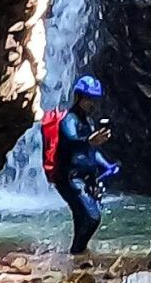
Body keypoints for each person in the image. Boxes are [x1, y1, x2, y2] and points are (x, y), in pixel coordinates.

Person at [44, 75, 118, 254]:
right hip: (70, 178)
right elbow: (72, 141)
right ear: (78, 97)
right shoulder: (69, 120)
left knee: (81, 217)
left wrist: (107, 166)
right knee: (92, 217)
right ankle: (78, 251)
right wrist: (89, 141)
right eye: (88, 98)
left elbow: (91, 152)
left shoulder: (88, 122)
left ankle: (76, 254)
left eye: (94, 99)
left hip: (84, 178)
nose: (92, 103)